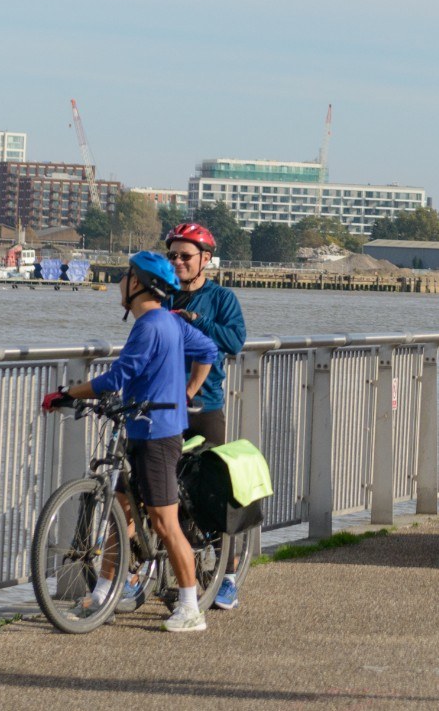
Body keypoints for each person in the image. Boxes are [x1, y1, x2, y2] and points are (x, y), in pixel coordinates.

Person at [58, 250, 218, 633]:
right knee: (121, 510)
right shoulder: (170, 322)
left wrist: (67, 394)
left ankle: (190, 608)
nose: (119, 283)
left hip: (158, 435)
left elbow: (116, 377)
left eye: (125, 276)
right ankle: (103, 592)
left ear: (138, 284)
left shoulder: (149, 326)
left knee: (165, 523)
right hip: (142, 425)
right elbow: (209, 350)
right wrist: (189, 390)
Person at [163, 221, 249, 610]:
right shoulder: (160, 295)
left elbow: (235, 341)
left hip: (205, 406)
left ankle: (227, 575)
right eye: (173, 255)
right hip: (163, 406)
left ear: (205, 260)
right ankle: (138, 574)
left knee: (212, 493)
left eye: (186, 256)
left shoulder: (220, 297)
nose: (178, 262)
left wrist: (198, 321)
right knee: (157, 491)